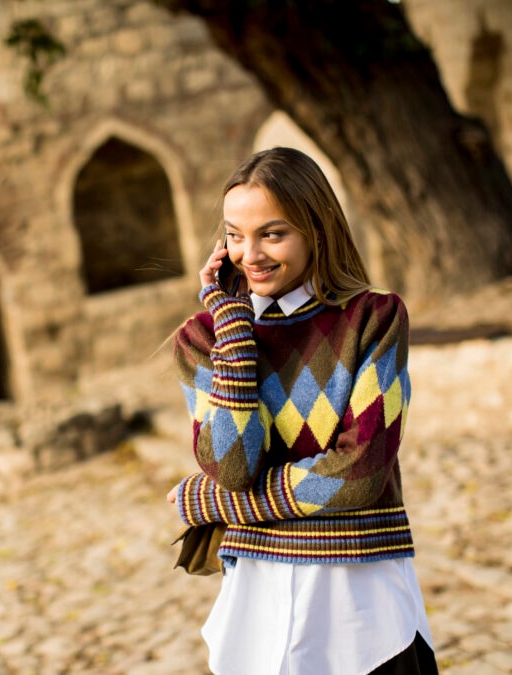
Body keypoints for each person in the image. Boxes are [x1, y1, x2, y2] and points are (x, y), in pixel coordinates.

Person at [166, 147, 437, 674]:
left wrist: (217, 503)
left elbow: (360, 474)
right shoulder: (202, 340)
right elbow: (234, 467)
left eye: (272, 233)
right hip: (258, 594)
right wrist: (235, 332)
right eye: (234, 235)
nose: (250, 254)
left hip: (363, 594)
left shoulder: (373, 320)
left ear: (317, 229)